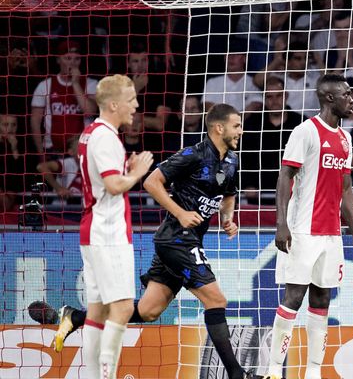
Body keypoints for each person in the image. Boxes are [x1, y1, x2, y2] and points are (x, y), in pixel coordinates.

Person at [41, 103, 256, 379]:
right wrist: (180, 213)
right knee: (216, 300)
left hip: (187, 241)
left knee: (148, 311)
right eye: (236, 125)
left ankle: (74, 316)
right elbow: (152, 182)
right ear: (218, 128)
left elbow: (228, 194)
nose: (241, 130)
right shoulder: (192, 155)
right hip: (176, 240)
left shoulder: (232, 160)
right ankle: (237, 374)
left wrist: (227, 219)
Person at [265, 74, 353, 379]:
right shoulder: (305, 132)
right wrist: (281, 223)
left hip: (331, 234)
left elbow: (346, 189)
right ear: (329, 98)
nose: (352, 100)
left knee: (322, 299)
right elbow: (285, 177)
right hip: (302, 230)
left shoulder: (345, 139)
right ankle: (273, 370)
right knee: (293, 297)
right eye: (346, 95)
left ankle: (313, 372)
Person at [73, 74, 154, 379]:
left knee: (97, 311)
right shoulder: (106, 137)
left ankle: (94, 376)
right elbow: (113, 185)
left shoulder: (91, 132)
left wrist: (124, 169)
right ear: (114, 104)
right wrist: (137, 173)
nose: (136, 105)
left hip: (93, 228)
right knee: (122, 308)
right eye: (131, 99)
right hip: (108, 232)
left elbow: (105, 178)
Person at [30, 39, 98, 159]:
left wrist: (75, 83)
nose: (73, 63)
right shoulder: (45, 85)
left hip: (83, 149)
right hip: (52, 150)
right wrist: (41, 154)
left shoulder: (91, 84)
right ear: (58, 60)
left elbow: (90, 111)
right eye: (68, 58)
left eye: (77, 59)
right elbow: (35, 122)